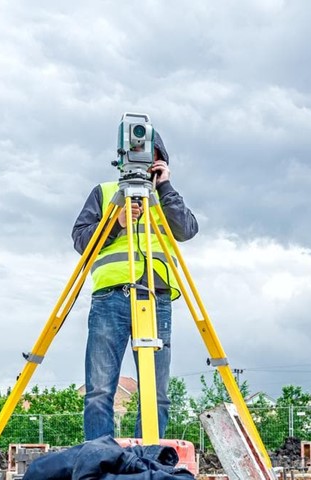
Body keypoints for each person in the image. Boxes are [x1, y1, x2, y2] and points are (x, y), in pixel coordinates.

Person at [72, 131, 198, 440]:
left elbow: (186, 229)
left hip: (156, 298)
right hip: (110, 299)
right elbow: (81, 240)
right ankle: (100, 461)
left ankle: (148, 460)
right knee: (100, 390)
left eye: (152, 155)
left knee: (157, 393)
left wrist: (164, 185)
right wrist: (116, 223)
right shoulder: (105, 193)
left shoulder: (164, 199)